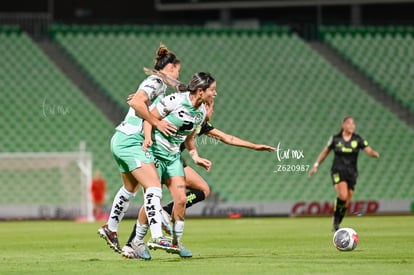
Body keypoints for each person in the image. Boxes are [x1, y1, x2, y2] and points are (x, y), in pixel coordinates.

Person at [122, 89, 276, 260]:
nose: (213, 111)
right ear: (206, 105)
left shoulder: (199, 121)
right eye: (212, 107)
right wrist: (146, 104)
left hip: (174, 160)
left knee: (202, 189)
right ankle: (133, 243)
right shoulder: (184, 109)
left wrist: (255, 146)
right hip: (153, 155)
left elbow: (227, 138)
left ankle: (168, 220)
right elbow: (157, 113)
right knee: (152, 198)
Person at [97, 44, 181, 256]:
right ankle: (158, 237)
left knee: (129, 189)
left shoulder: (158, 85)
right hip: (131, 141)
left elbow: (142, 100)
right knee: (153, 188)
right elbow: (137, 101)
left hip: (121, 139)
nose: (178, 74)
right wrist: (157, 122)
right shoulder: (155, 81)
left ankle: (111, 228)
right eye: (177, 70)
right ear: (170, 68)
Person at [123, 72, 216, 259]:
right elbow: (150, 118)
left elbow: (189, 137)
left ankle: (176, 242)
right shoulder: (174, 100)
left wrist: (195, 156)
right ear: (200, 91)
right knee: (153, 198)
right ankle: (137, 241)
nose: (215, 94)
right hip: (156, 153)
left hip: (173, 157)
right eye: (212, 90)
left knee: (181, 200)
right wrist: (148, 138)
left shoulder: (201, 113)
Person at [309, 116, 379, 231]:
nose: (352, 126)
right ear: (343, 125)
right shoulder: (335, 139)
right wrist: (316, 165)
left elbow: (368, 149)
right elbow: (325, 152)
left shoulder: (357, 139)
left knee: (346, 203)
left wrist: (373, 153)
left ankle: (337, 220)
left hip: (351, 173)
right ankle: (336, 223)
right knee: (343, 195)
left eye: (353, 124)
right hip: (338, 170)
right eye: (349, 123)